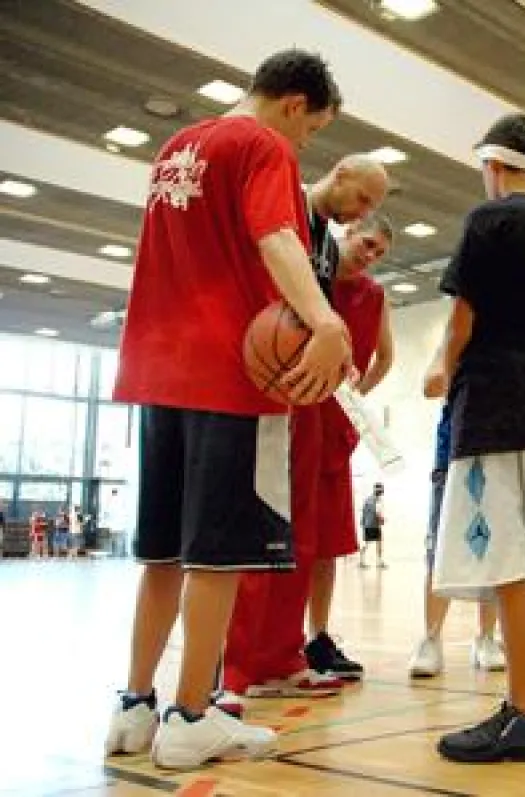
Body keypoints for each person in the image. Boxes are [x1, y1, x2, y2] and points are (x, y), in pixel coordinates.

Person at [104, 49, 350, 770]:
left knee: (163, 555)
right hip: (228, 372)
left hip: (156, 369)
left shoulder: (177, 147)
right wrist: (325, 321)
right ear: (295, 104)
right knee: (216, 558)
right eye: (313, 130)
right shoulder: (262, 143)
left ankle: (135, 705)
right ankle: (190, 716)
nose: (305, 145)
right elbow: (276, 236)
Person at [424, 112, 525, 764]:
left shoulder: (488, 221)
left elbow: (463, 314)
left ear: (495, 164)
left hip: (491, 402)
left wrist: (441, 367)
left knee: (510, 558)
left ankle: (521, 713)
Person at [221, 165, 389, 706]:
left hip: (307, 397)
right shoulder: (284, 209)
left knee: (302, 535)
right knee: (260, 528)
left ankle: (282, 656)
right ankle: (239, 668)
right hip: (265, 389)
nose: (362, 212)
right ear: (337, 175)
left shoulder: (324, 244)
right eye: (360, 199)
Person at [305, 215, 397, 680]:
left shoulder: (375, 296)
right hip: (295, 411)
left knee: (329, 540)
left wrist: (357, 400)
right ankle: (268, 637)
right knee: (286, 537)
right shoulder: (309, 275)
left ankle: (316, 636)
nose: (370, 255)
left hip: (337, 420)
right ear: (346, 231)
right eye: (367, 243)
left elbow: (387, 356)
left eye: (380, 252)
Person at [407, 401, 506, 677]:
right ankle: (431, 637)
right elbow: (431, 383)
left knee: (491, 548)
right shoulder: (451, 357)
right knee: (437, 549)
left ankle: (486, 636)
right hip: (451, 454)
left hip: (497, 450)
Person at [359, 484, 386, 569]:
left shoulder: (367, 499)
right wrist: (382, 520)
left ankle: (378, 562)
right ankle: (363, 562)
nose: (381, 491)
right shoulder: (376, 500)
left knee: (377, 542)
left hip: (368, 525)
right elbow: (377, 512)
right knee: (370, 543)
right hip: (373, 525)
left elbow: (364, 511)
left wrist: (363, 523)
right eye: (380, 490)